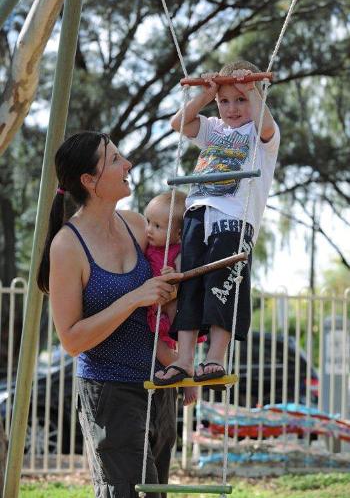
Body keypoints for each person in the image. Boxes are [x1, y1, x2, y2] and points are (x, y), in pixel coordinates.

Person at [37, 131, 183, 498]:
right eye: (115, 160)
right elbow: (71, 339)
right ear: (90, 181)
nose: (128, 164)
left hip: (159, 388)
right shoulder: (68, 246)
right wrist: (133, 297)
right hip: (110, 392)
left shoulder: (138, 225)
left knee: (156, 494)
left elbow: (166, 282)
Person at [153, 60, 280, 386]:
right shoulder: (213, 128)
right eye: (225, 101)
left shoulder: (261, 132)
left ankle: (215, 356)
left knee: (223, 281)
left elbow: (265, 125)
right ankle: (184, 359)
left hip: (234, 218)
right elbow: (179, 122)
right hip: (198, 213)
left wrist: (250, 88)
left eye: (240, 100)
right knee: (190, 282)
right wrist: (207, 92)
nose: (233, 108)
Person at [144, 190, 204, 405]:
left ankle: (187, 376)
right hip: (154, 308)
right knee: (158, 350)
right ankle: (184, 370)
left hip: (169, 312)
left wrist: (174, 277)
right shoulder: (147, 245)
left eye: (157, 226)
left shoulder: (178, 252)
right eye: (148, 221)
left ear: (178, 233)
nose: (149, 229)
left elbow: (183, 281)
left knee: (168, 349)